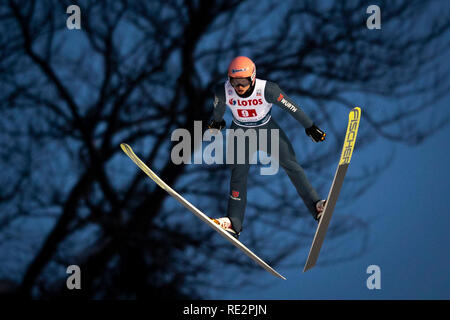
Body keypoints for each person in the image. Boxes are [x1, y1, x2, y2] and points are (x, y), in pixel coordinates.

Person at [208, 56, 326, 239]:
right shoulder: (223, 91)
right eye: (235, 81)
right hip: (241, 132)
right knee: (238, 175)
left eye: (244, 81)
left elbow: (291, 107)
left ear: (252, 78)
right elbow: (218, 108)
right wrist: (217, 122)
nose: (239, 87)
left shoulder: (268, 90)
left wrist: (310, 126)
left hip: (267, 129)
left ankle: (317, 206)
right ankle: (234, 222)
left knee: (291, 165)